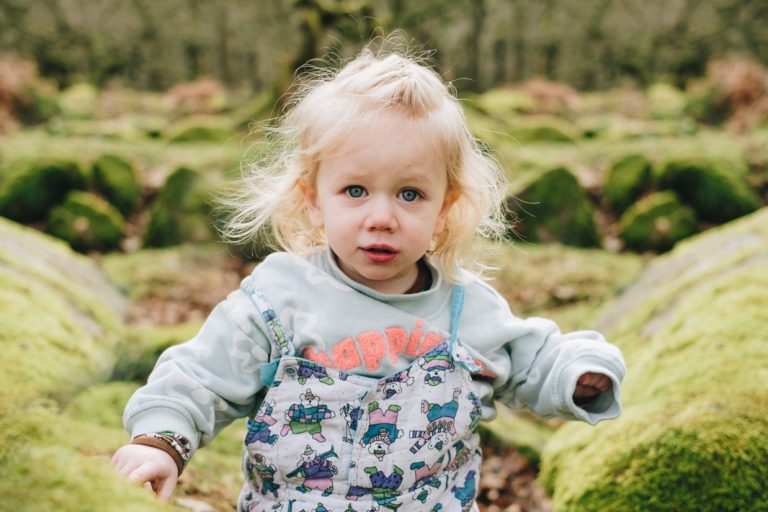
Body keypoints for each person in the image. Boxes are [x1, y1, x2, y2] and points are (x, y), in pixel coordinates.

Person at [111, 39, 625, 512]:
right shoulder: (281, 298)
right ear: (313, 201)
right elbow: (200, 376)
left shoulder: (466, 309)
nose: (382, 217)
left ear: (443, 209)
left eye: (409, 194)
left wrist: (582, 372)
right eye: (355, 190)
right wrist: (161, 442)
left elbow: (532, 358)